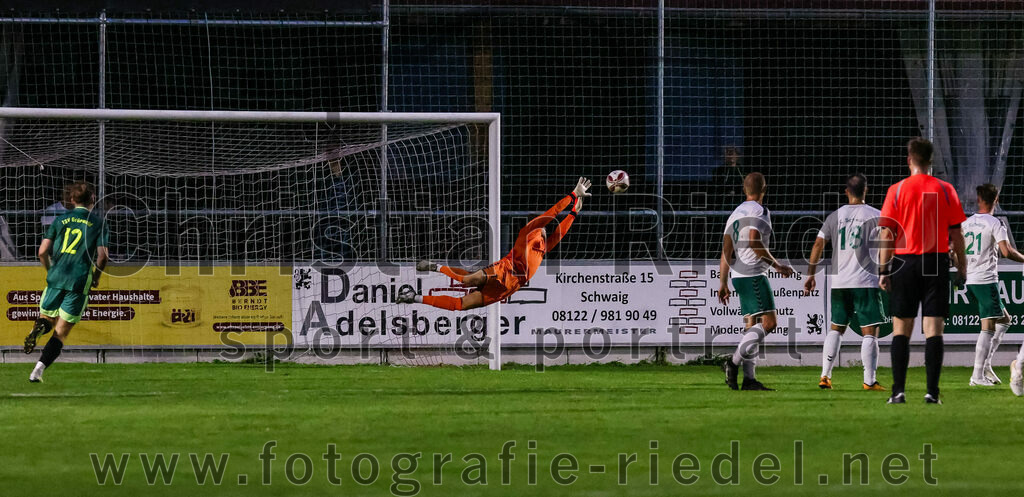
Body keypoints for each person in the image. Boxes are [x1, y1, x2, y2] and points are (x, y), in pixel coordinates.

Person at [397, 177, 591, 310]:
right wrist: (572, 196)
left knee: (461, 305)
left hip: (510, 287)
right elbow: (551, 214)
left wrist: (574, 212)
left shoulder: (541, 249)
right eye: (541, 227)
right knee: (468, 280)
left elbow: (560, 233)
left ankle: (414, 298)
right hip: (504, 270)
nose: (545, 229)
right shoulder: (526, 234)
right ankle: (435, 266)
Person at [878, 137, 967, 404]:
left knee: (901, 329)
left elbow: (886, 233)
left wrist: (884, 269)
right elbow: (957, 233)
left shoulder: (896, 190)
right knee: (934, 329)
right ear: (931, 161)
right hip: (935, 260)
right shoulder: (945, 188)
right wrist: (962, 265)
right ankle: (931, 392)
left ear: (909, 160)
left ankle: (898, 391)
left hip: (904, 261)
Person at [804, 173, 888, 391]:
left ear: (846, 192)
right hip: (865, 280)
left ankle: (825, 375)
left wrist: (811, 274)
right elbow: (887, 242)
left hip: (839, 282)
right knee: (870, 332)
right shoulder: (876, 215)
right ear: (866, 191)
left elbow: (817, 245)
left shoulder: (835, 216)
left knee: (836, 328)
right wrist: (884, 271)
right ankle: (869, 381)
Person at [23, 181, 109, 383]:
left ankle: (38, 329)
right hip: (79, 280)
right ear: (93, 199)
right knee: (60, 332)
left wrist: (51, 270)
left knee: (47, 319)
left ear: (71, 200)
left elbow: (42, 252)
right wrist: (95, 277)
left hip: (56, 276)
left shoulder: (59, 220)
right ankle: (37, 371)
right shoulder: (98, 223)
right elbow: (103, 257)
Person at [718, 172, 795, 391]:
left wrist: (723, 282)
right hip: (753, 274)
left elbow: (726, 251)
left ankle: (749, 379)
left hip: (738, 276)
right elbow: (753, 241)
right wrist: (777, 265)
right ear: (764, 189)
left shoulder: (734, 213)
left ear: (744, 189)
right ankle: (732, 363)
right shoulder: (760, 211)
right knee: (770, 323)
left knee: (751, 327)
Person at [961, 184, 1024, 386]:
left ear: (978, 199)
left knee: (1005, 319)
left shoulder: (966, 223)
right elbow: (1007, 252)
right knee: (988, 326)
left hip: (970, 279)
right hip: (985, 279)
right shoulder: (995, 223)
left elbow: (954, 251)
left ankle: (986, 366)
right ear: (996, 200)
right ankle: (977, 376)